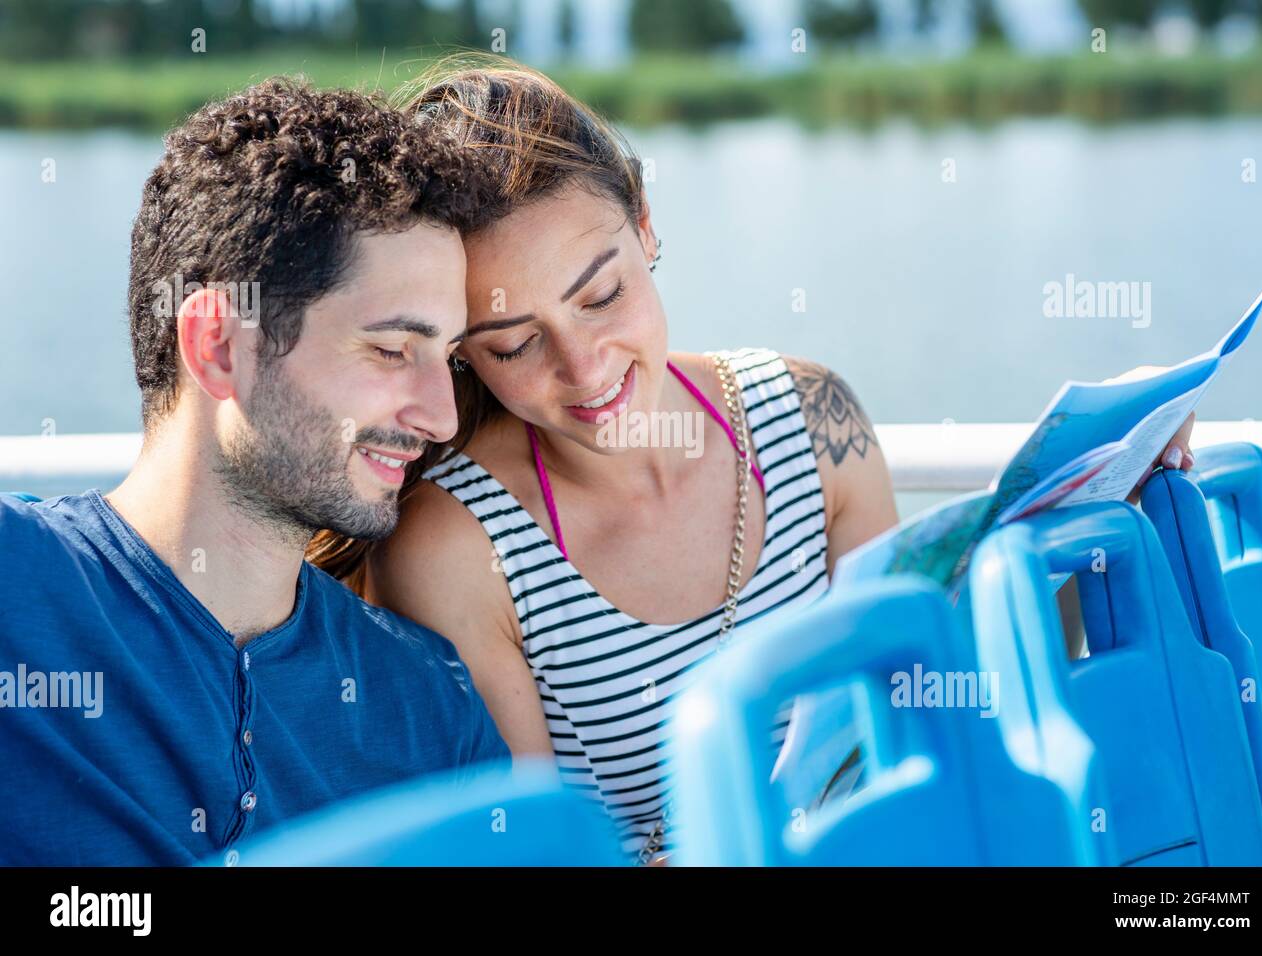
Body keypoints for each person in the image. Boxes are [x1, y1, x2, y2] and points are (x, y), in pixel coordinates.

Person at [310, 59, 1197, 863]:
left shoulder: (815, 425)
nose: (585, 370)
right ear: (461, 349)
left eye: (604, 295)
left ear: (647, 226)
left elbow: (923, 713)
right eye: (512, 345)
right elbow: (530, 852)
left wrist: (1109, 499)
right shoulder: (454, 549)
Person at [0, 79, 509, 865]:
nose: (441, 416)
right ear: (217, 346)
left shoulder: (430, 709)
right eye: (389, 349)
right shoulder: (17, 591)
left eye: (448, 359)